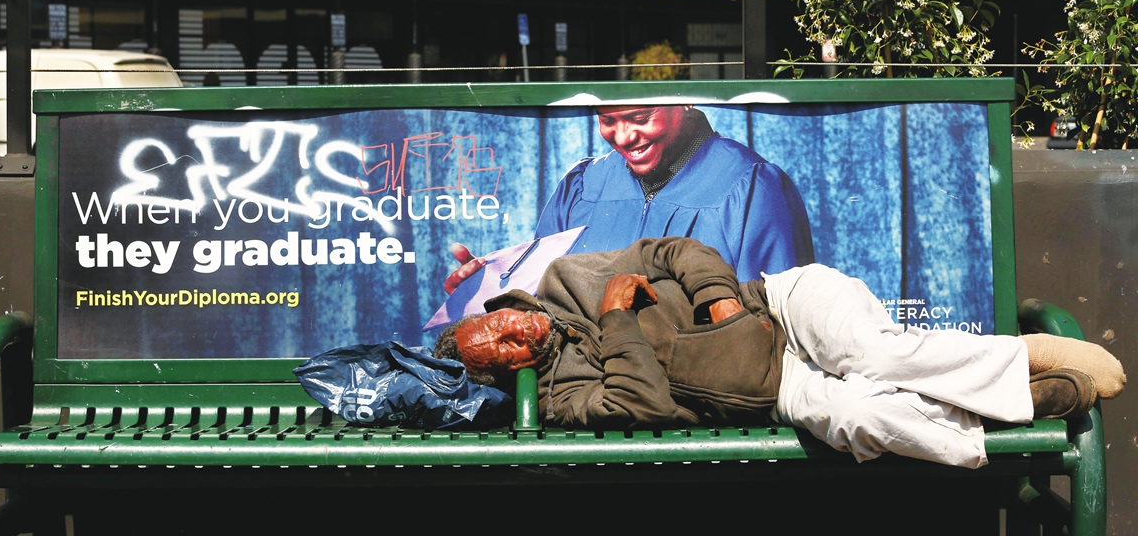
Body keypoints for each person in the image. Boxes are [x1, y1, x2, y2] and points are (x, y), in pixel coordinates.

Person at [434, 237, 1126, 469]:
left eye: (497, 325)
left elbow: (672, 250)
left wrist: (717, 297)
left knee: (871, 353)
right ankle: (1025, 404)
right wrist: (617, 321)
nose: (510, 336)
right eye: (497, 353)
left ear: (500, 308)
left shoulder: (566, 278)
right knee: (863, 419)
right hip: (774, 391)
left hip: (782, 305)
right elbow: (640, 406)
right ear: (506, 373)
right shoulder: (554, 401)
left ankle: (1019, 356)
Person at [445, 105, 815, 295]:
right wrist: (490, 294)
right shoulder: (583, 186)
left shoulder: (750, 186)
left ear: (682, 101)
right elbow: (541, 302)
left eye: (640, 117)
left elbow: (773, 323)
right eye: (607, 120)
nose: (623, 137)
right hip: (584, 402)